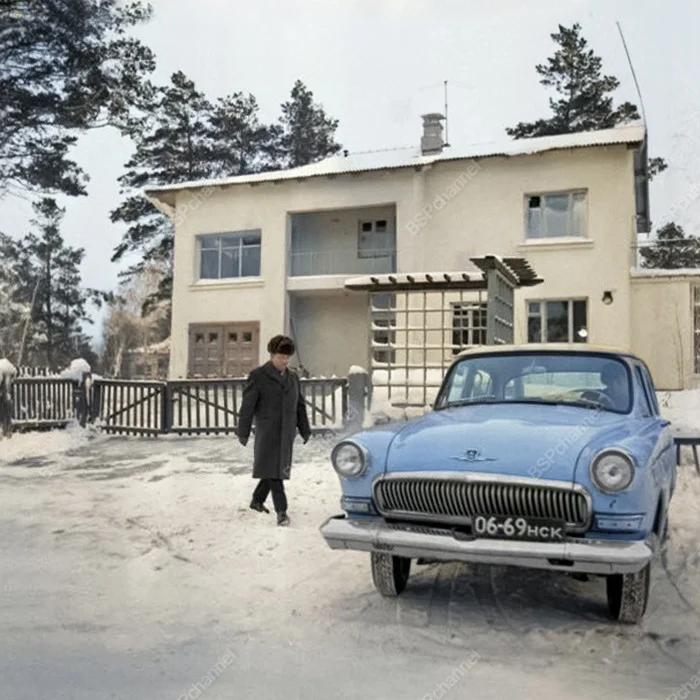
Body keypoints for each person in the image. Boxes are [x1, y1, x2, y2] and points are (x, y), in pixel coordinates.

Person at [236, 335, 311, 526]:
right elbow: (247, 407)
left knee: (274, 469)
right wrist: (243, 431)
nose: (284, 361)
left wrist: (305, 429)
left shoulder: (293, 378)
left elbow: (299, 406)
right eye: (280, 357)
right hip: (267, 432)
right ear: (271, 356)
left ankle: (257, 500)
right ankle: (282, 512)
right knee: (275, 473)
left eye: (287, 358)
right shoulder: (258, 376)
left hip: (286, 433)